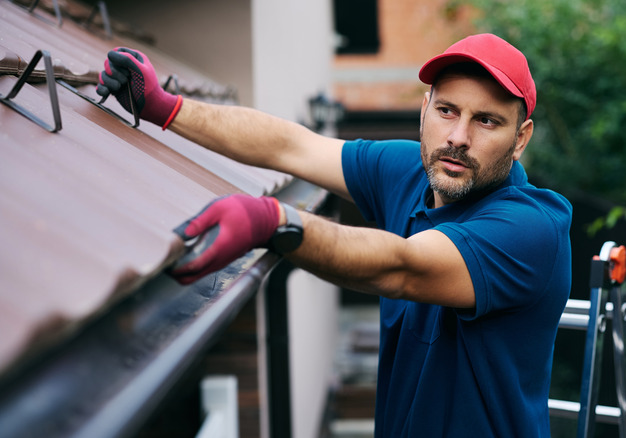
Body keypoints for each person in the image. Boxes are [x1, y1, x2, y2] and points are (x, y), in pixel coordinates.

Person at [97, 33, 572, 437]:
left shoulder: (531, 228)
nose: (458, 137)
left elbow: (402, 266)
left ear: (521, 136)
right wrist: (166, 108)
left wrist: (275, 222)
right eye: (447, 110)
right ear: (424, 109)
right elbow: (292, 145)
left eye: (486, 121)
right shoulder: (411, 171)